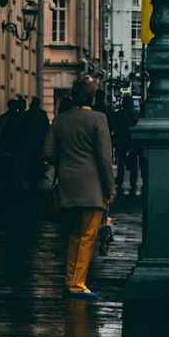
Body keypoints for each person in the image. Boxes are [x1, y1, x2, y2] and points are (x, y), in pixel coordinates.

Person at [43, 76, 115, 296]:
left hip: (67, 184)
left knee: (74, 235)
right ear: (92, 97)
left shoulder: (60, 120)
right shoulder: (98, 119)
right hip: (92, 187)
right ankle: (78, 284)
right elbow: (104, 157)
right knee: (87, 237)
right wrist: (110, 188)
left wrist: (65, 161)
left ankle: (69, 280)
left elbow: (47, 152)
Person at [112, 98, 139, 196]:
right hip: (134, 141)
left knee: (121, 162)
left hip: (123, 140)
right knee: (134, 162)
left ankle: (120, 179)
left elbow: (116, 126)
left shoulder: (121, 113)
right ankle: (133, 181)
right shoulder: (136, 113)